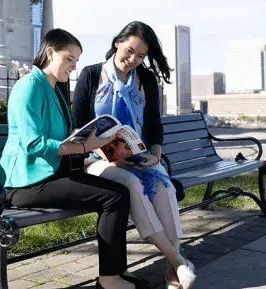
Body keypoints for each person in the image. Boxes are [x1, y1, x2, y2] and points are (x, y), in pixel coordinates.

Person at [0, 28, 137, 289]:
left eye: (76, 60)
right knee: (114, 197)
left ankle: (115, 274)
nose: (74, 67)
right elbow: (33, 145)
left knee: (120, 192)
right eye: (69, 59)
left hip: (50, 174)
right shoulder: (30, 87)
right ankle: (109, 279)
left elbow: (59, 138)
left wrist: (91, 140)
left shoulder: (53, 88)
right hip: (24, 184)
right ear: (50, 53)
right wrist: (84, 146)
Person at [72, 21, 196, 289]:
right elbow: (78, 128)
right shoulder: (91, 74)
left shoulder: (146, 79)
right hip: (95, 160)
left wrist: (155, 155)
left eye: (141, 56)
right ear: (117, 42)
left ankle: (172, 271)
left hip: (137, 157)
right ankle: (178, 260)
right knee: (133, 184)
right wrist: (107, 154)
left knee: (164, 185)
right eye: (129, 51)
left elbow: (153, 127)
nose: (133, 60)